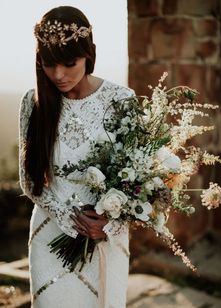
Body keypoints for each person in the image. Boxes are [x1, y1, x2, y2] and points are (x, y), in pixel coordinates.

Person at [19, 6, 134, 308]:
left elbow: (138, 178)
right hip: (48, 237)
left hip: (105, 238)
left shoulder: (122, 101)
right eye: (48, 64)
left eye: (69, 63)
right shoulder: (34, 104)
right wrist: (68, 217)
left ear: (89, 53)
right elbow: (29, 180)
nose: (58, 75)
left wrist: (107, 222)